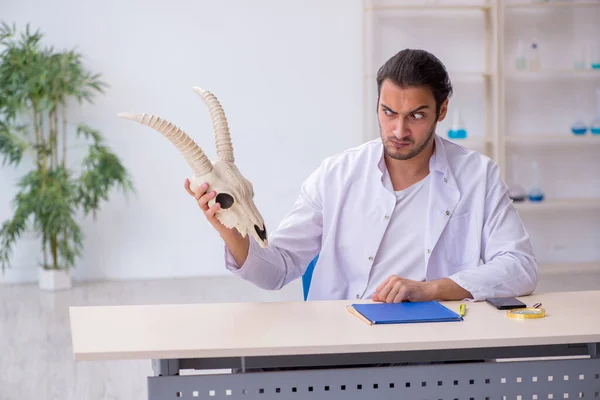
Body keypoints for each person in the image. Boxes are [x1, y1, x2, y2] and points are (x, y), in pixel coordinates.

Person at [185, 48, 538, 303]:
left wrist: (431, 289)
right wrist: (231, 232)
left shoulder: (479, 176)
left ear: (441, 110)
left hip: (435, 343)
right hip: (343, 346)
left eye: (416, 116)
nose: (398, 129)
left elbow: (520, 267)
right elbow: (276, 271)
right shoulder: (336, 175)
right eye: (388, 112)